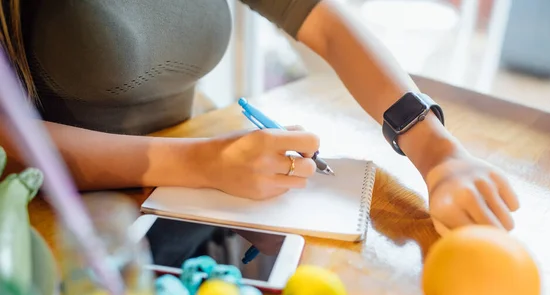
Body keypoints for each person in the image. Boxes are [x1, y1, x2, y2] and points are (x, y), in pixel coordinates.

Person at [0, 0, 519, 233]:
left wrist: (434, 147)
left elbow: (327, 22)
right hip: (55, 218)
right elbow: (17, 138)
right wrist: (203, 164)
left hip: (190, 175)